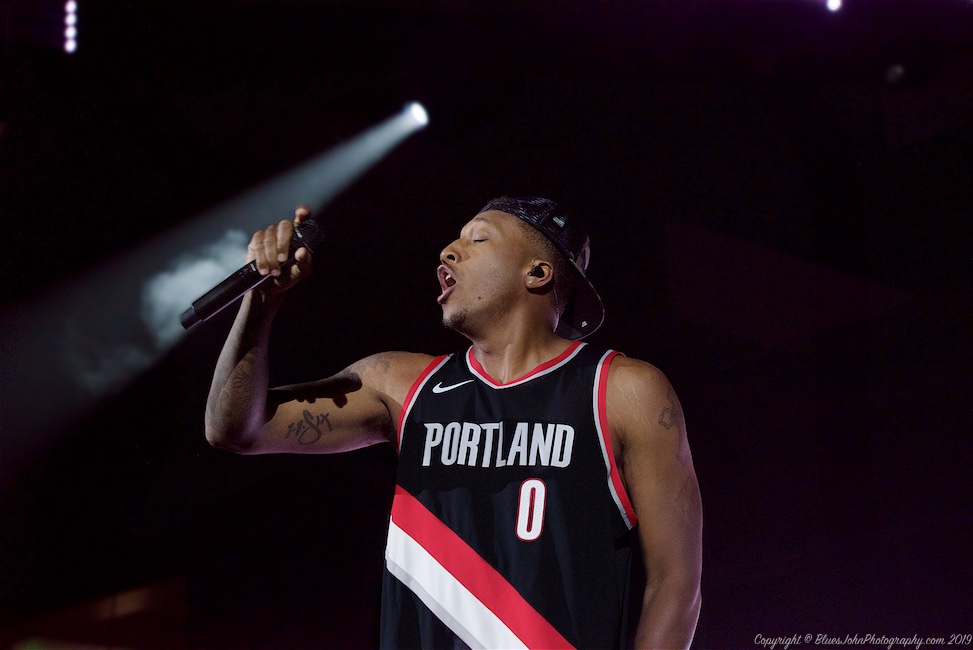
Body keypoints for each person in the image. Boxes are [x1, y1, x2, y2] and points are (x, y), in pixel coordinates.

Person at [205, 197, 702, 649]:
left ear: (538, 272)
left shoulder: (622, 390)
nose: (447, 251)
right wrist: (261, 302)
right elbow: (235, 430)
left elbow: (675, 583)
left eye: (477, 237)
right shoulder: (400, 383)